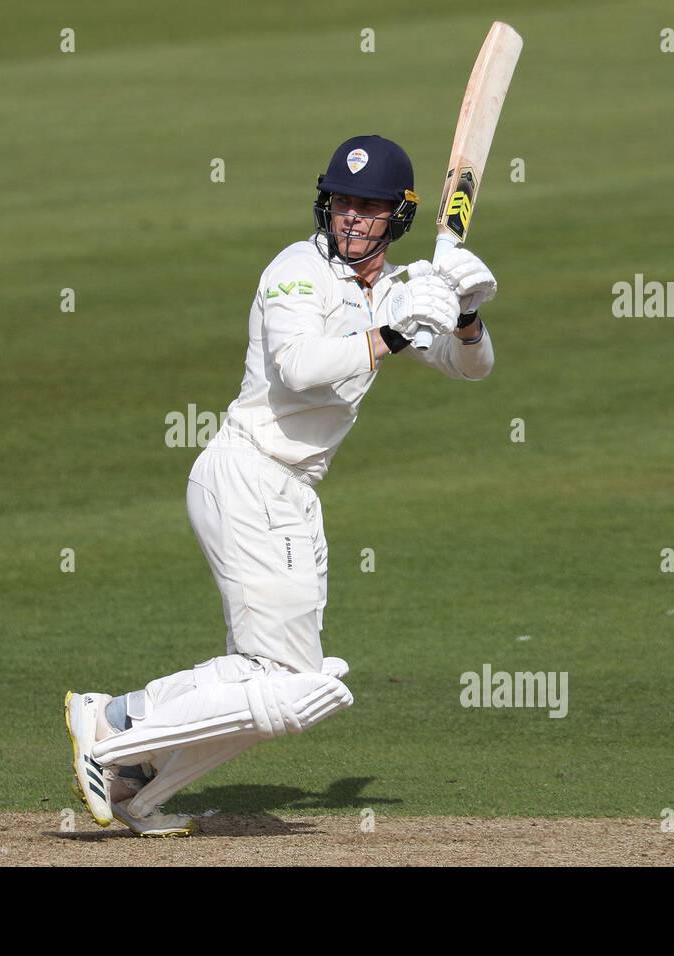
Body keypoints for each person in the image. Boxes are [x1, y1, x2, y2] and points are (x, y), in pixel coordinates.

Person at [65, 134, 497, 836]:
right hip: (247, 474)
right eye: (343, 203)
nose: (352, 218)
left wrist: (467, 313)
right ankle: (113, 724)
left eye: (370, 207)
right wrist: (391, 333)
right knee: (298, 689)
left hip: (294, 492)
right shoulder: (296, 271)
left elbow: (470, 368)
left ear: (398, 217)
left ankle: (135, 787)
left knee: (288, 683)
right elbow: (300, 367)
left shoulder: (393, 289)